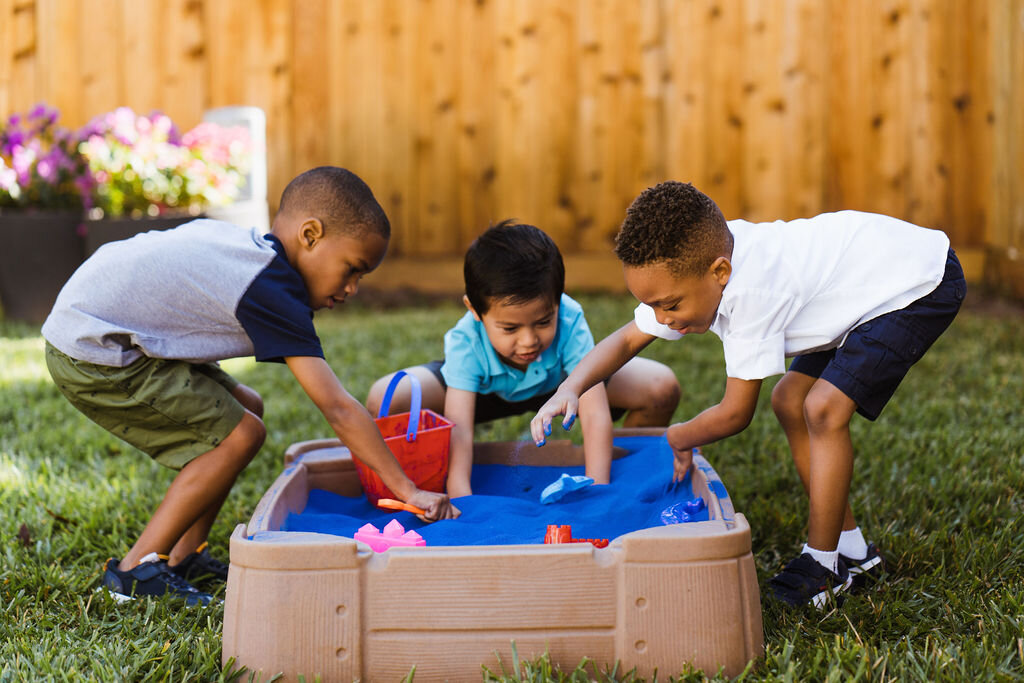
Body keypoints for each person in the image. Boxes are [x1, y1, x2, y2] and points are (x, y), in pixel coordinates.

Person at [530, 181, 965, 608]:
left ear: (720, 272)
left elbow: (736, 413)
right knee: (789, 400)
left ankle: (822, 564)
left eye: (671, 305)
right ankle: (853, 552)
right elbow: (626, 341)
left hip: (916, 281)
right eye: (654, 306)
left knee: (823, 409)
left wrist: (679, 436)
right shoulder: (700, 264)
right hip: (858, 284)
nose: (663, 318)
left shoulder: (751, 293)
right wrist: (570, 387)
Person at [42, 166, 458, 606]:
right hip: (94, 350)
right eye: (352, 269)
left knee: (248, 407)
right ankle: (135, 571)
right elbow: (337, 407)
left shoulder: (260, 262)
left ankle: (184, 557)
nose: (353, 288)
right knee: (241, 434)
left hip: (107, 331)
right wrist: (407, 489)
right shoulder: (270, 289)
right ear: (311, 235)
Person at [366, 220, 680, 498]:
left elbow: (594, 411)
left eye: (543, 322)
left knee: (660, 386)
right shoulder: (466, 340)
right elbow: (459, 429)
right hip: (485, 391)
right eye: (510, 327)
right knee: (387, 395)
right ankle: (419, 482)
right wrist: (461, 495)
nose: (529, 341)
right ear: (475, 310)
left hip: (563, 386)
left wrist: (598, 486)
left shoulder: (569, 319)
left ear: (558, 301)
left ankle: (626, 467)